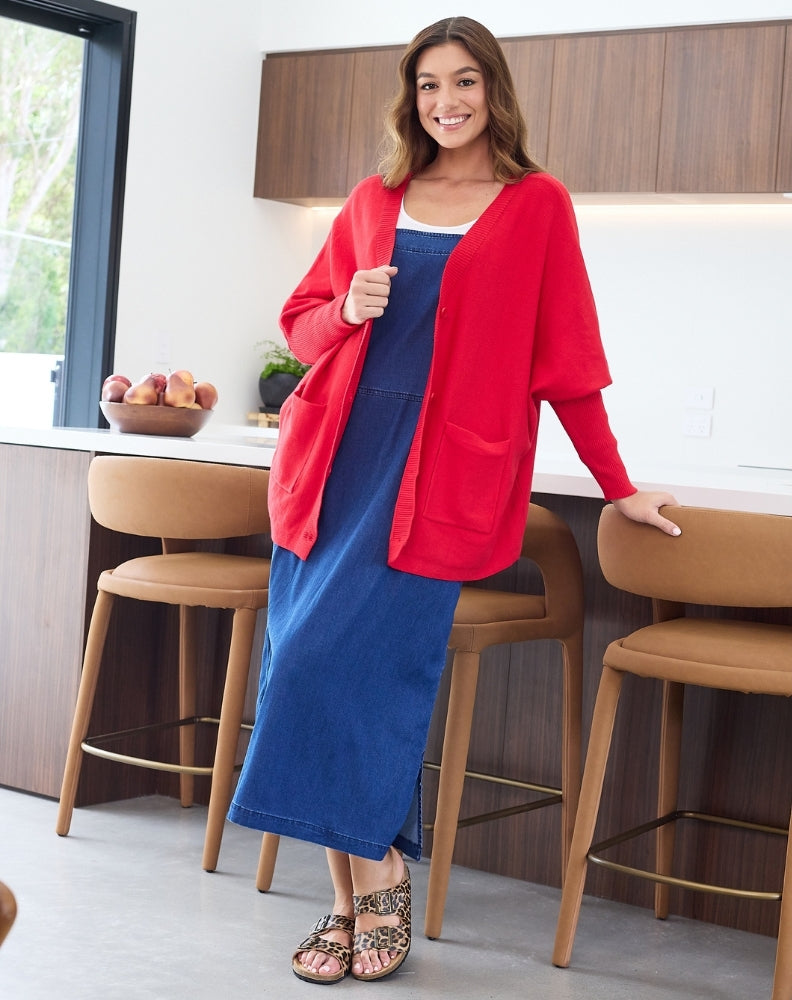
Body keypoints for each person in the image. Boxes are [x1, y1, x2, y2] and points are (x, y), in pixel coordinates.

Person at [228, 15, 680, 985]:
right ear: (412, 98)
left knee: (348, 672)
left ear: (493, 90)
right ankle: (355, 896)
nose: (446, 101)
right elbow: (300, 327)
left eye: (464, 81)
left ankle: (373, 881)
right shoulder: (373, 198)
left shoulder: (537, 205)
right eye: (429, 84)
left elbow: (567, 365)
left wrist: (620, 487)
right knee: (301, 670)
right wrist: (345, 308)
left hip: (436, 481)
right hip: (332, 466)